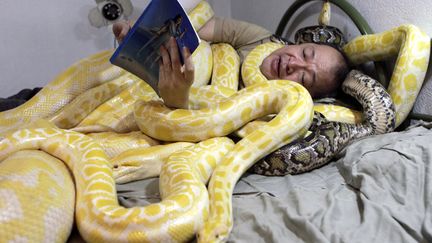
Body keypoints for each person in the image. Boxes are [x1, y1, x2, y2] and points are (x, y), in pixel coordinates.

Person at [113, 16, 350, 109]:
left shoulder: (271, 110)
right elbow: (202, 30)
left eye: (304, 78)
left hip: (173, 102)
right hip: (150, 75)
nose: (294, 64)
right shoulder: (262, 38)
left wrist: (177, 100)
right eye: (305, 53)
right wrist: (143, 33)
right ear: (300, 42)